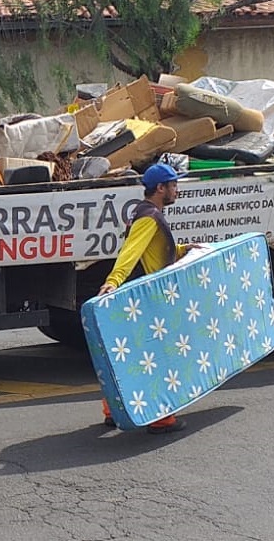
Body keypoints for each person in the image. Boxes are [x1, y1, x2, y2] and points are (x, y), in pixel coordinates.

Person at [96, 162, 191, 434]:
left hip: (139, 297)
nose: (177, 189)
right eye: (173, 185)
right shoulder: (149, 217)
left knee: (127, 358)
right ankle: (161, 419)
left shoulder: (145, 213)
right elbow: (131, 252)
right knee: (158, 358)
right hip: (147, 300)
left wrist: (183, 249)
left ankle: (113, 411)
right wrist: (112, 281)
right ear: (160, 188)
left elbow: (153, 251)